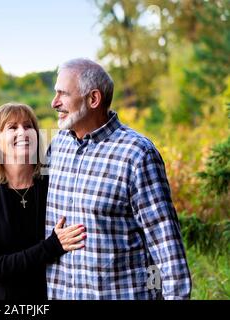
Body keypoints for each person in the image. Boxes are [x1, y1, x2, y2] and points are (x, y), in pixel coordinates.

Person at [45, 58, 192, 299]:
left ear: (93, 99)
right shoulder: (59, 146)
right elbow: (29, 206)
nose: (54, 103)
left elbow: (164, 243)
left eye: (63, 94)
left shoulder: (137, 154)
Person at [0, 102, 87, 300]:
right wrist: (52, 246)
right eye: (12, 127)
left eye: (28, 126)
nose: (22, 132)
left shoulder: (52, 185)